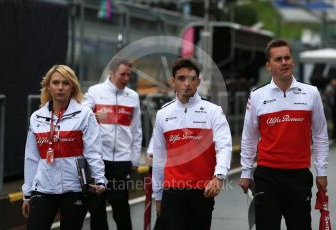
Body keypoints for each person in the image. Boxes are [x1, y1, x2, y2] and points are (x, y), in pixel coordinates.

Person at [239, 39, 329, 230]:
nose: (284, 62)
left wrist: (321, 172)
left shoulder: (311, 93)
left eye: (287, 58)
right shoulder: (257, 96)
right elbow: (249, 137)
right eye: (278, 59)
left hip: (299, 175)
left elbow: (320, 136)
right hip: (267, 175)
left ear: (293, 62)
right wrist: (246, 172)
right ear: (268, 65)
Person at [21, 65, 106, 229]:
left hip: (74, 188)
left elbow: (93, 152)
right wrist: (27, 193)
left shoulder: (85, 114)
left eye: (65, 83)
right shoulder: (36, 117)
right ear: (48, 86)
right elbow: (31, 157)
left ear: (72, 86)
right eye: (56, 83)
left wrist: (99, 180)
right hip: (44, 188)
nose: (60, 87)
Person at [152, 58, 232, 230]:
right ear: (172, 82)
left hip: (202, 191)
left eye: (192, 78)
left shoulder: (213, 111)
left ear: (198, 82)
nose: (187, 83)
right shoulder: (163, 114)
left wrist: (218, 177)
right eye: (181, 78)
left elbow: (224, 147)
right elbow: (159, 158)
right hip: (172, 191)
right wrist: (158, 196)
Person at [83, 58, 142, 230]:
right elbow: (79, 117)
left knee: (121, 205)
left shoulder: (133, 97)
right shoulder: (95, 91)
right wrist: (93, 115)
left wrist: (135, 159)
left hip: (122, 161)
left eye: (129, 75)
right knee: (97, 208)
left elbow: (137, 130)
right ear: (111, 73)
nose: (126, 78)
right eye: (122, 74)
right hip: (98, 160)